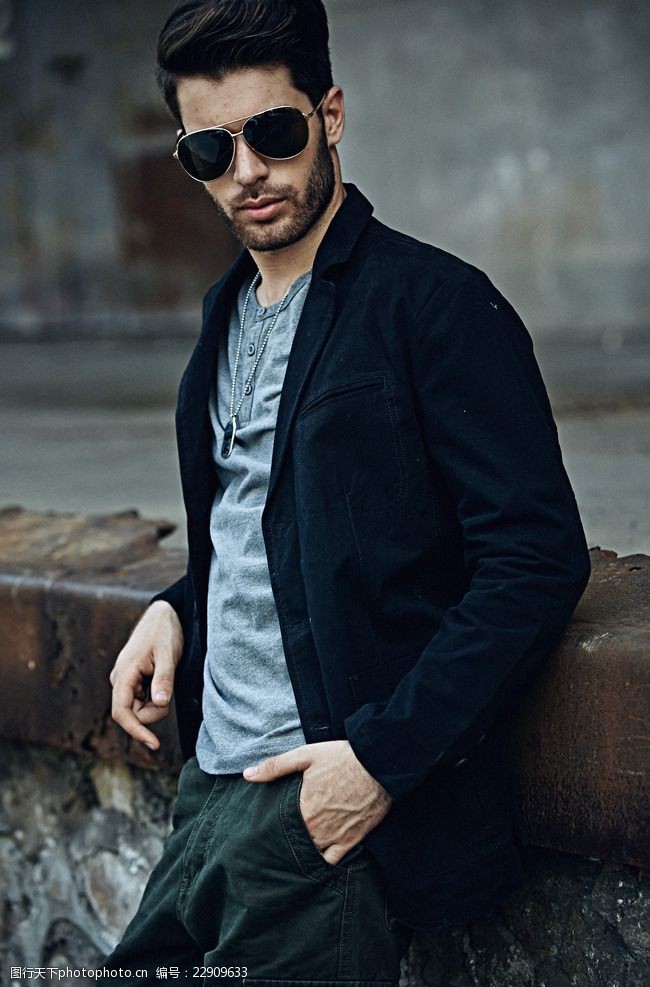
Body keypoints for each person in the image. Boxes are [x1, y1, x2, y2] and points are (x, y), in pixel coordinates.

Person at [104, 0, 591, 983]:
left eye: (273, 134)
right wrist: (178, 607)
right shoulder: (224, 317)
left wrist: (376, 763)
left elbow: (535, 560)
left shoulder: (435, 305)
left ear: (329, 115)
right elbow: (282, 528)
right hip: (207, 790)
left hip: (320, 815)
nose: (247, 172)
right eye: (211, 151)